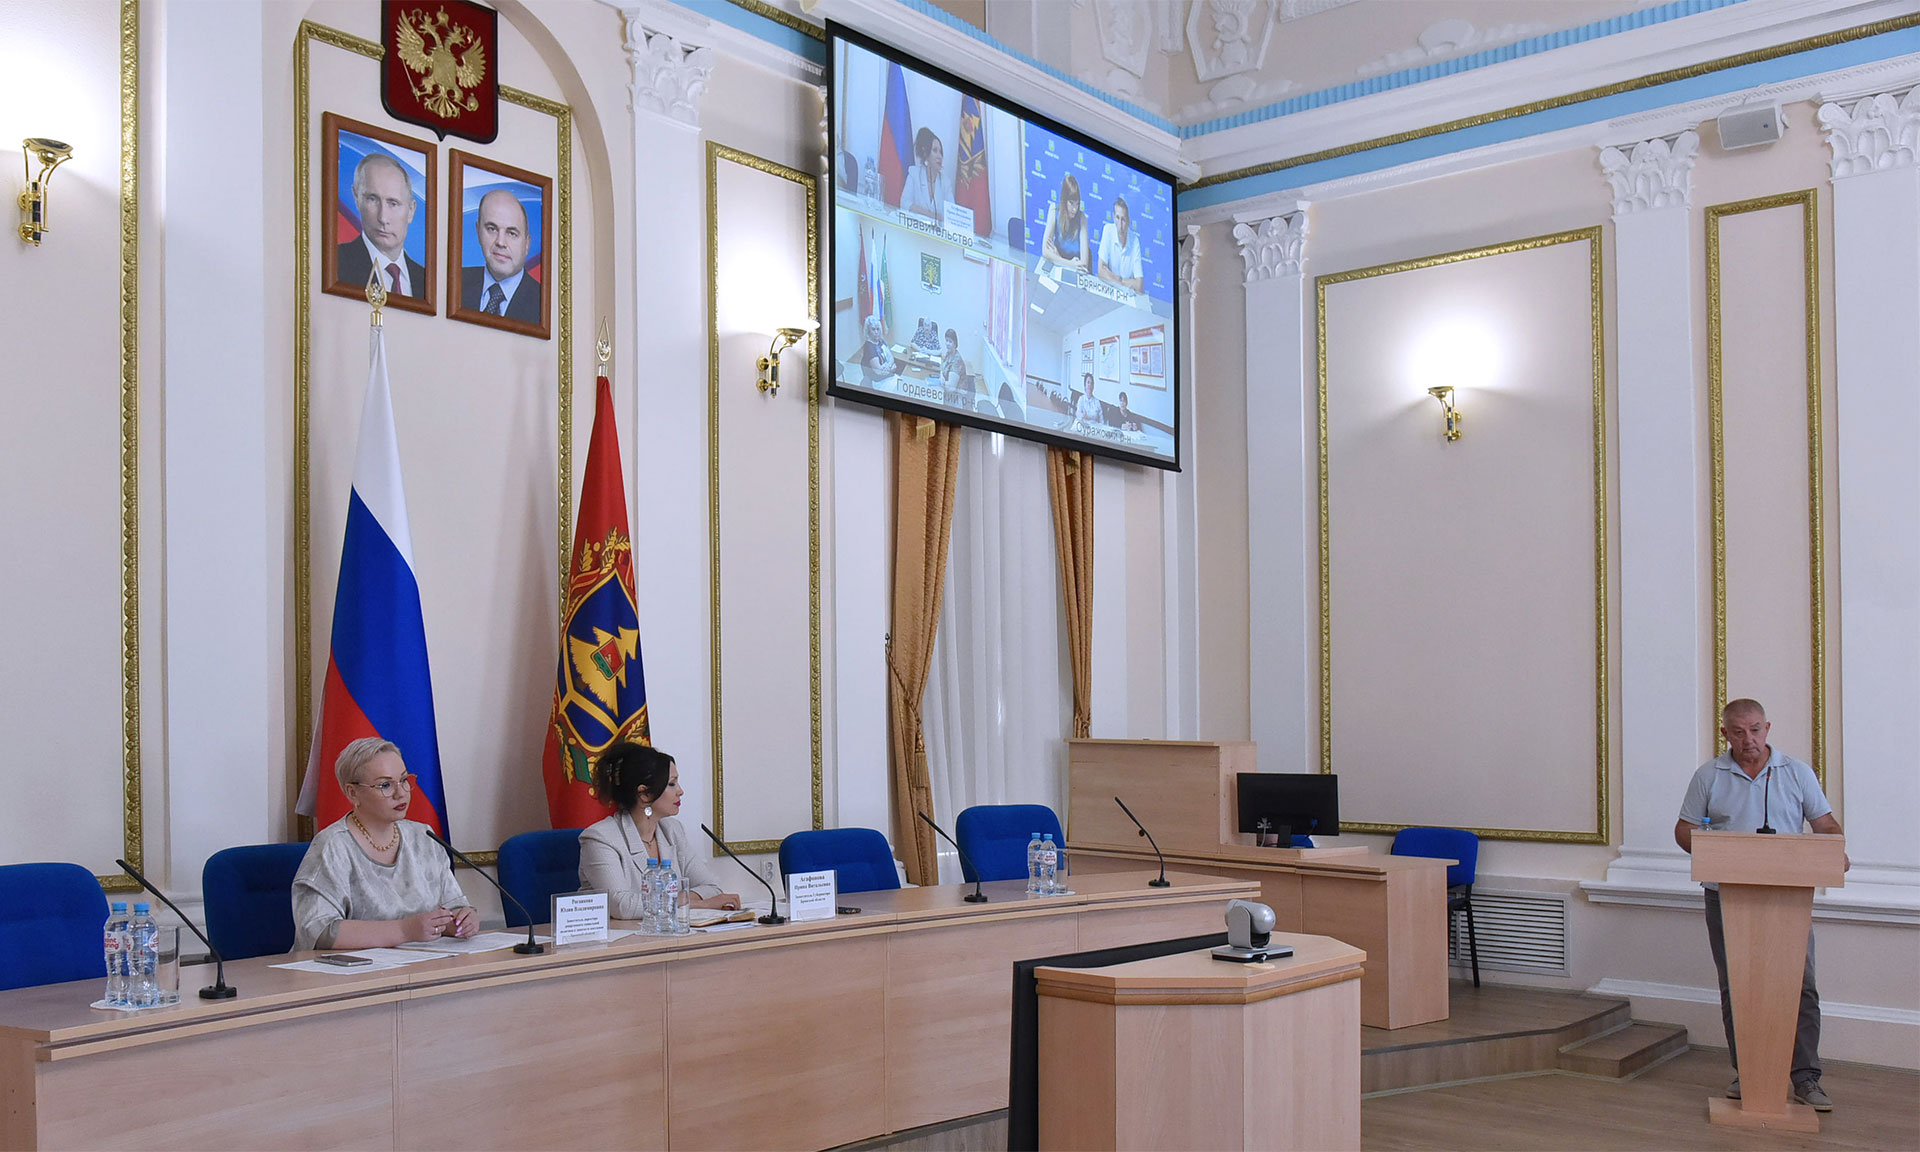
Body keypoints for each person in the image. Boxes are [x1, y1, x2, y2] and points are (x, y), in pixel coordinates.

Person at [1674, 698, 1847, 1112]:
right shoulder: (1709, 775)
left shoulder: (1796, 772)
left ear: (1767, 728)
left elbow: (1824, 824)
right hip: (1726, 895)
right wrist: (1712, 851)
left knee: (1800, 985)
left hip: (1787, 898)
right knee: (1736, 986)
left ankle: (1805, 1077)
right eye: (1738, 732)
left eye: (1755, 730)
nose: (1748, 739)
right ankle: (1748, 1074)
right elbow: (1683, 829)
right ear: (1725, 734)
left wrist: (1833, 849)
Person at [290, 737, 477, 951]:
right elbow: (318, 931)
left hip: (420, 964)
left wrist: (461, 921)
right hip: (349, 969)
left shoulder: (424, 837)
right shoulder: (332, 846)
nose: (401, 792)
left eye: (404, 780)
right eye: (385, 785)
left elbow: (453, 907)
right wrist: (405, 930)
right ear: (353, 792)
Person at [578, 742, 740, 921]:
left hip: (667, 931)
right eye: (671, 784)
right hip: (618, 936)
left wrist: (674, 901)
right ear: (644, 794)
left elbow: (712, 886)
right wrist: (699, 903)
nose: (680, 791)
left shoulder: (672, 830)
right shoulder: (600, 838)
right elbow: (622, 906)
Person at [336, 153, 427, 300]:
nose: (383, 218)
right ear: (357, 199)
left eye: (393, 204)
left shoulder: (427, 282)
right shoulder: (335, 263)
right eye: (372, 199)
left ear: (411, 210)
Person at [459, 188, 540, 322]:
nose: (500, 242)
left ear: (527, 244)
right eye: (492, 229)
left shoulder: (545, 303)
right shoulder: (454, 282)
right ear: (478, 231)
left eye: (512, 233)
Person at [1039, 174, 1090, 273]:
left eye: (1077, 204)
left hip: (1075, 272)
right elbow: (1045, 251)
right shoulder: (1054, 210)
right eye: (1071, 203)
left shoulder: (1082, 218)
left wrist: (1057, 257)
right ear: (1064, 200)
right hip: (1059, 268)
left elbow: (1084, 264)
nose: (1075, 209)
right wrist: (1071, 264)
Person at [901, 127, 951, 225]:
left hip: (938, 232)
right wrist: (932, 216)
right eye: (935, 150)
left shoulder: (945, 182)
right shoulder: (914, 174)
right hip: (914, 228)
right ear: (926, 153)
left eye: (940, 152)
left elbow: (951, 216)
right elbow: (904, 204)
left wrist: (918, 210)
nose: (939, 156)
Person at [1096, 195, 1144, 293]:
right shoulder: (1107, 230)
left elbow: (1139, 285)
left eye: (1123, 220)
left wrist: (1117, 279)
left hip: (1126, 295)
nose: (1120, 225)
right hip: (1107, 290)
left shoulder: (1135, 241)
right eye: (1117, 218)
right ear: (1113, 217)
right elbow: (1100, 271)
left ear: (1128, 221)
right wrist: (1126, 282)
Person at [857, 313, 896, 380]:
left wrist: (889, 366)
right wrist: (892, 368)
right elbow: (879, 371)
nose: (876, 332)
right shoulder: (869, 347)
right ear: (868, 331)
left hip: (887, 375)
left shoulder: (881, 341)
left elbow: (891, 357)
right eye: (873, 329)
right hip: (877, 381)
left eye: (878, 329)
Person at [939, 327, 969, 406]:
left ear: (955, 344)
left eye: (950, 341)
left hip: (956, 399)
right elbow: (942, 368)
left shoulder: (956, 360)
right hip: (946, 393)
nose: (947, 343)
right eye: (946, 340)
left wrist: (942, 381)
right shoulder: (949, 353)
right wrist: (941, 377)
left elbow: (950, 388)